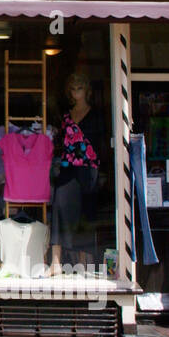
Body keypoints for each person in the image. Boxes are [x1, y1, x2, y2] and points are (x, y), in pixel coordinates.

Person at [50, 71, 106, 275]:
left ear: (87, 90)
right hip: (67, 165)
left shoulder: (96, 114)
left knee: (86, 210)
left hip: (89, 166)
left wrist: (103, 171)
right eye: (73, 89)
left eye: (79, 88)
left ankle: (82, 262)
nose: (76, 93)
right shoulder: (66, 117)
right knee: (58, 206)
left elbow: (101, 143)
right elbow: (60, 142)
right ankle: (55, 262)